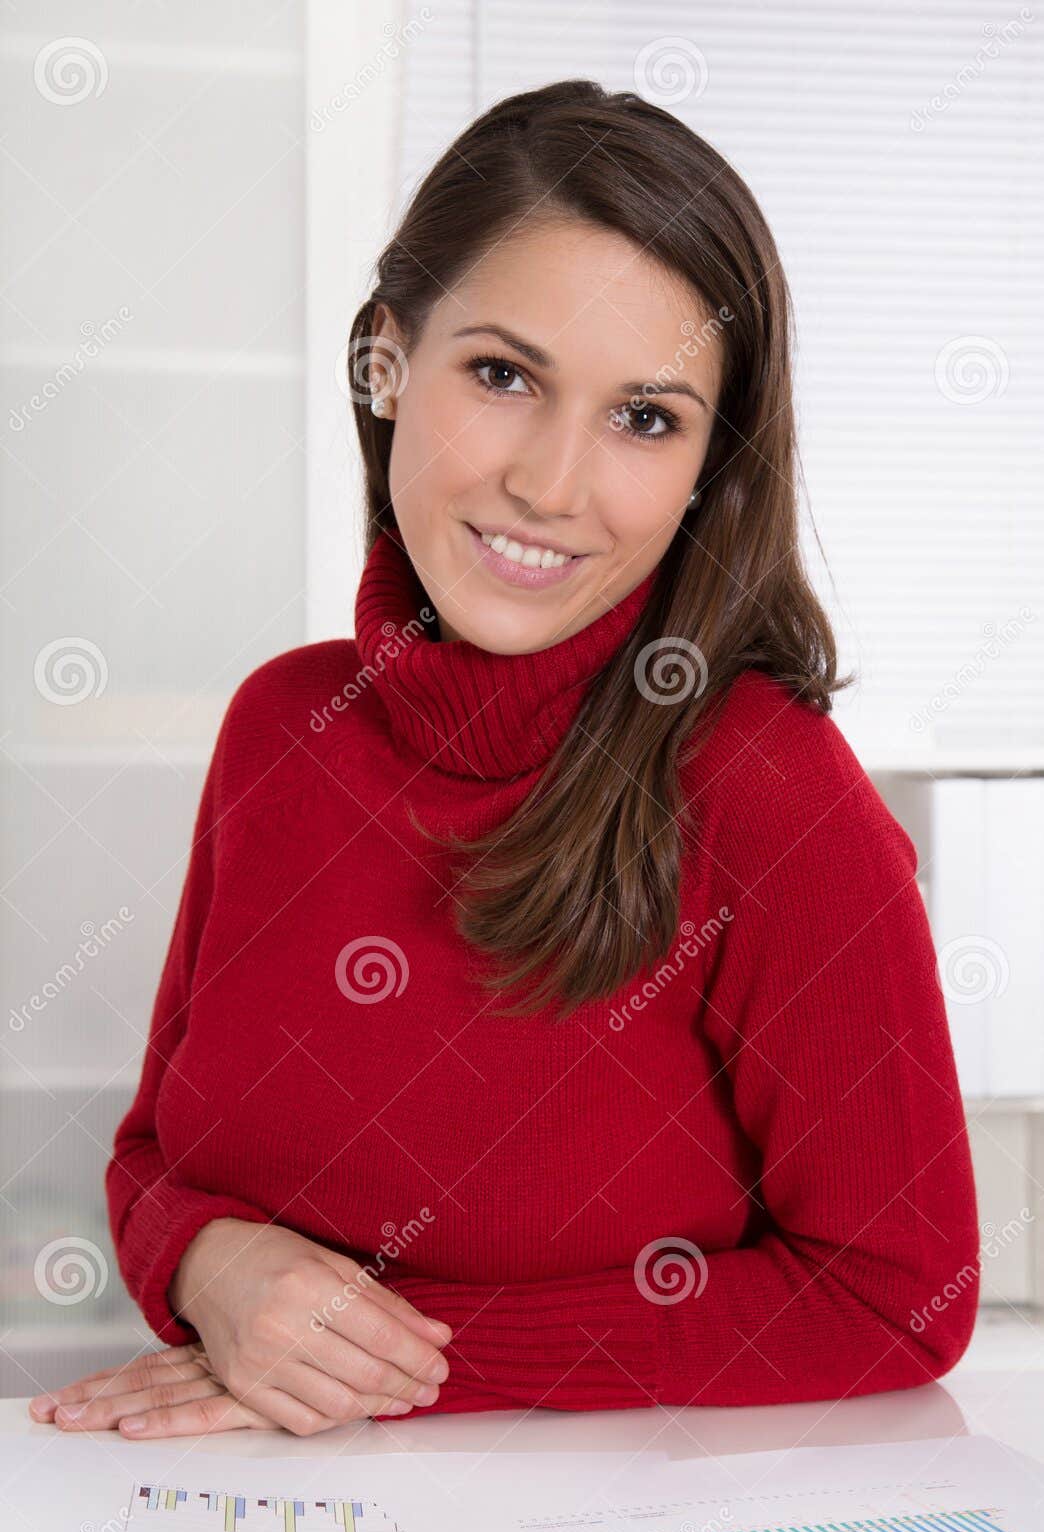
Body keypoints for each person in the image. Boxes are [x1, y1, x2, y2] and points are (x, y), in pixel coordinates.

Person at [30, 80, 979, 1441]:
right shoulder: (276, 729)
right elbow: (151, 1160)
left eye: (645, 418)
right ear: (385, 362)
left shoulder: (770, 792)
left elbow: (899, 1294)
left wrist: (396, 1362)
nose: (550, 481)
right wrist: (208, 1262)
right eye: (502, 373)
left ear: (713, 464)